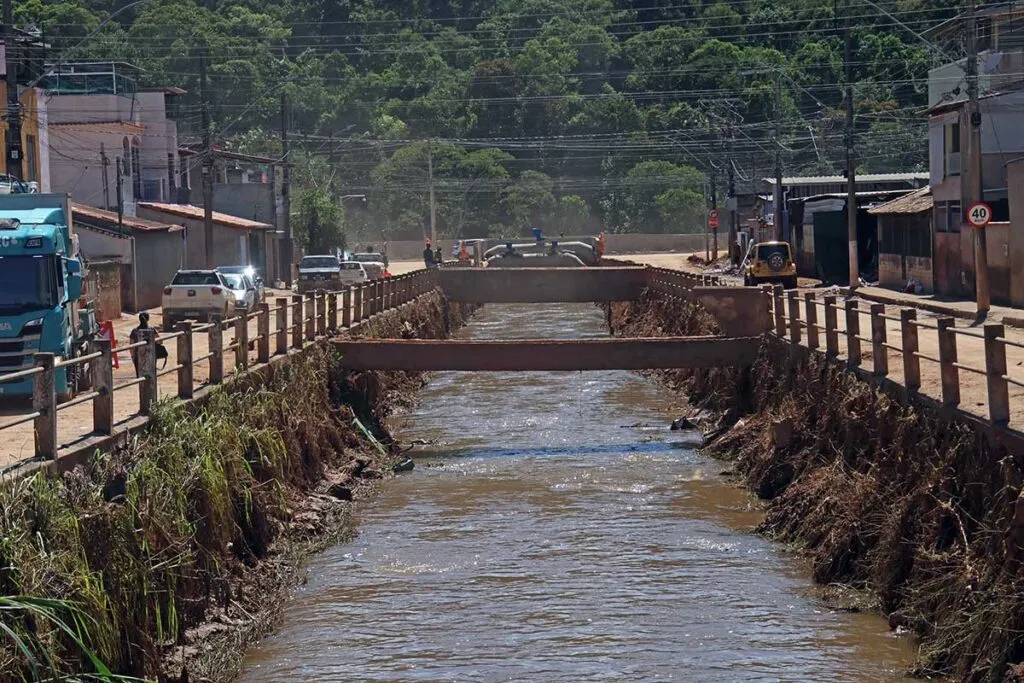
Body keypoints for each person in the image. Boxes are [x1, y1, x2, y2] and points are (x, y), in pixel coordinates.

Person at [128, 312, 168, 376]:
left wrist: (133, 357)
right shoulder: (152, 330)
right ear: (148, 319)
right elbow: (160, 341)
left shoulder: (134, 331)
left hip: (138, 356)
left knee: (140, 377)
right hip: (151, 355)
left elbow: (131, 346)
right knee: (151, 375)